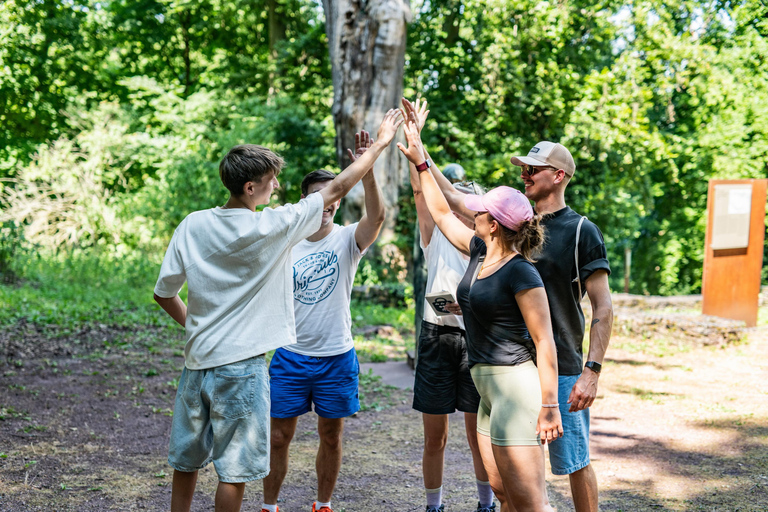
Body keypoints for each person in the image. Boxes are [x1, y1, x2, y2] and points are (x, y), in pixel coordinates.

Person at [153, 109, 403, 512]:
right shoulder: (272, 228)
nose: (278, 188)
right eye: (272, 182)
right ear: (251, 187)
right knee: (233, 472)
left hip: (196, 364)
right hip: (242, 368)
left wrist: (194, 328)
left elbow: (164, 293)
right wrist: (380, 144)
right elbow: (338, 186)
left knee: (186, 461)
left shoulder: (192, 224)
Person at [398, 100, 562, 512]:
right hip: (488, 389)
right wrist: (420, 159)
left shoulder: (521, 273)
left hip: (515, 389)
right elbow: (439, 208)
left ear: (496, 224)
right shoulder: (478, 251)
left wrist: (548, 407)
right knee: (502, 490)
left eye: (479, 212)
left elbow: (544, 342)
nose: (472, 215)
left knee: (530, 500)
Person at [262, 131, 385, 512]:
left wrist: (366, 170)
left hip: (337, 356)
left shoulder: (348, 239)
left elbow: (377, 216)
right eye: (321, 195)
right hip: (291, 354)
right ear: (307, 200)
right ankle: (270, 505)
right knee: (279, 437)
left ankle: (323, 503)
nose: (328, 202)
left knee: (331, 436)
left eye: (334, 194)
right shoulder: (286, 240)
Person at [510, 142, 613, 512]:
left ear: (558, 176)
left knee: (575, 462)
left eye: (533, 169)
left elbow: (603, 305)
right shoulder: (516, 225)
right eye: (523, 168)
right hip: (512, 365)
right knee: (513, 468)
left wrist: (592, 372)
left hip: (565, 365)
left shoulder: (583, 230)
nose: (525, 175)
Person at [406, 100, 495, 512]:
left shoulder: (490, 246)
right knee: (434, 437)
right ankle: (433, 506)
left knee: (480, 433)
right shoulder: (437, 233)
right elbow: (421, 193)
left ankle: (485, 504)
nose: (464, 204)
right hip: (436, 336)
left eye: (472, 201)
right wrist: (414, 142)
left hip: (477, 340)